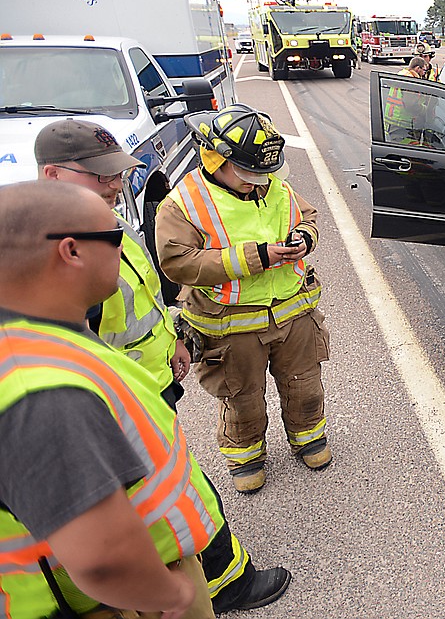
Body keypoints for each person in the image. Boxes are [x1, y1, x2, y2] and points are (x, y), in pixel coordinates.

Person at [34, 119, 292, 613]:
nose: (116, 184)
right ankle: (225, 583)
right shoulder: (58, 253)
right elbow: (72, 350)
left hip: (150, 385)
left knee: (180, 483)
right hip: (120, 405)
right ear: (53, 176)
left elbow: (140, 294)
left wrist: (172, 337)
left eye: (116, 173)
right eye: (101, 175)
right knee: (177, 490)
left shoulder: (94, 217)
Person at [0, 181, 222, 618]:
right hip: (118, 602)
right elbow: (103, 558)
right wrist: (169, 596)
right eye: (114, 237)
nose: (123, 252)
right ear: (72, 251)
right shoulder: (40, 390)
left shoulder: (43, 333)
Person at [155, 104, 332, 496]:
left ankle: (308, 438)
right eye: (249, 174)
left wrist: (305, 238)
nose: (259, 182)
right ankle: (246, 457)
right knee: (242, 397)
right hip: (231, 327)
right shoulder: (182, 204)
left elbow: (308, 215)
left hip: (294, 314)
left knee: (304, 383)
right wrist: (259, 257)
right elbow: (177, 263)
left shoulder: (274, 186)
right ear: (215, 158)